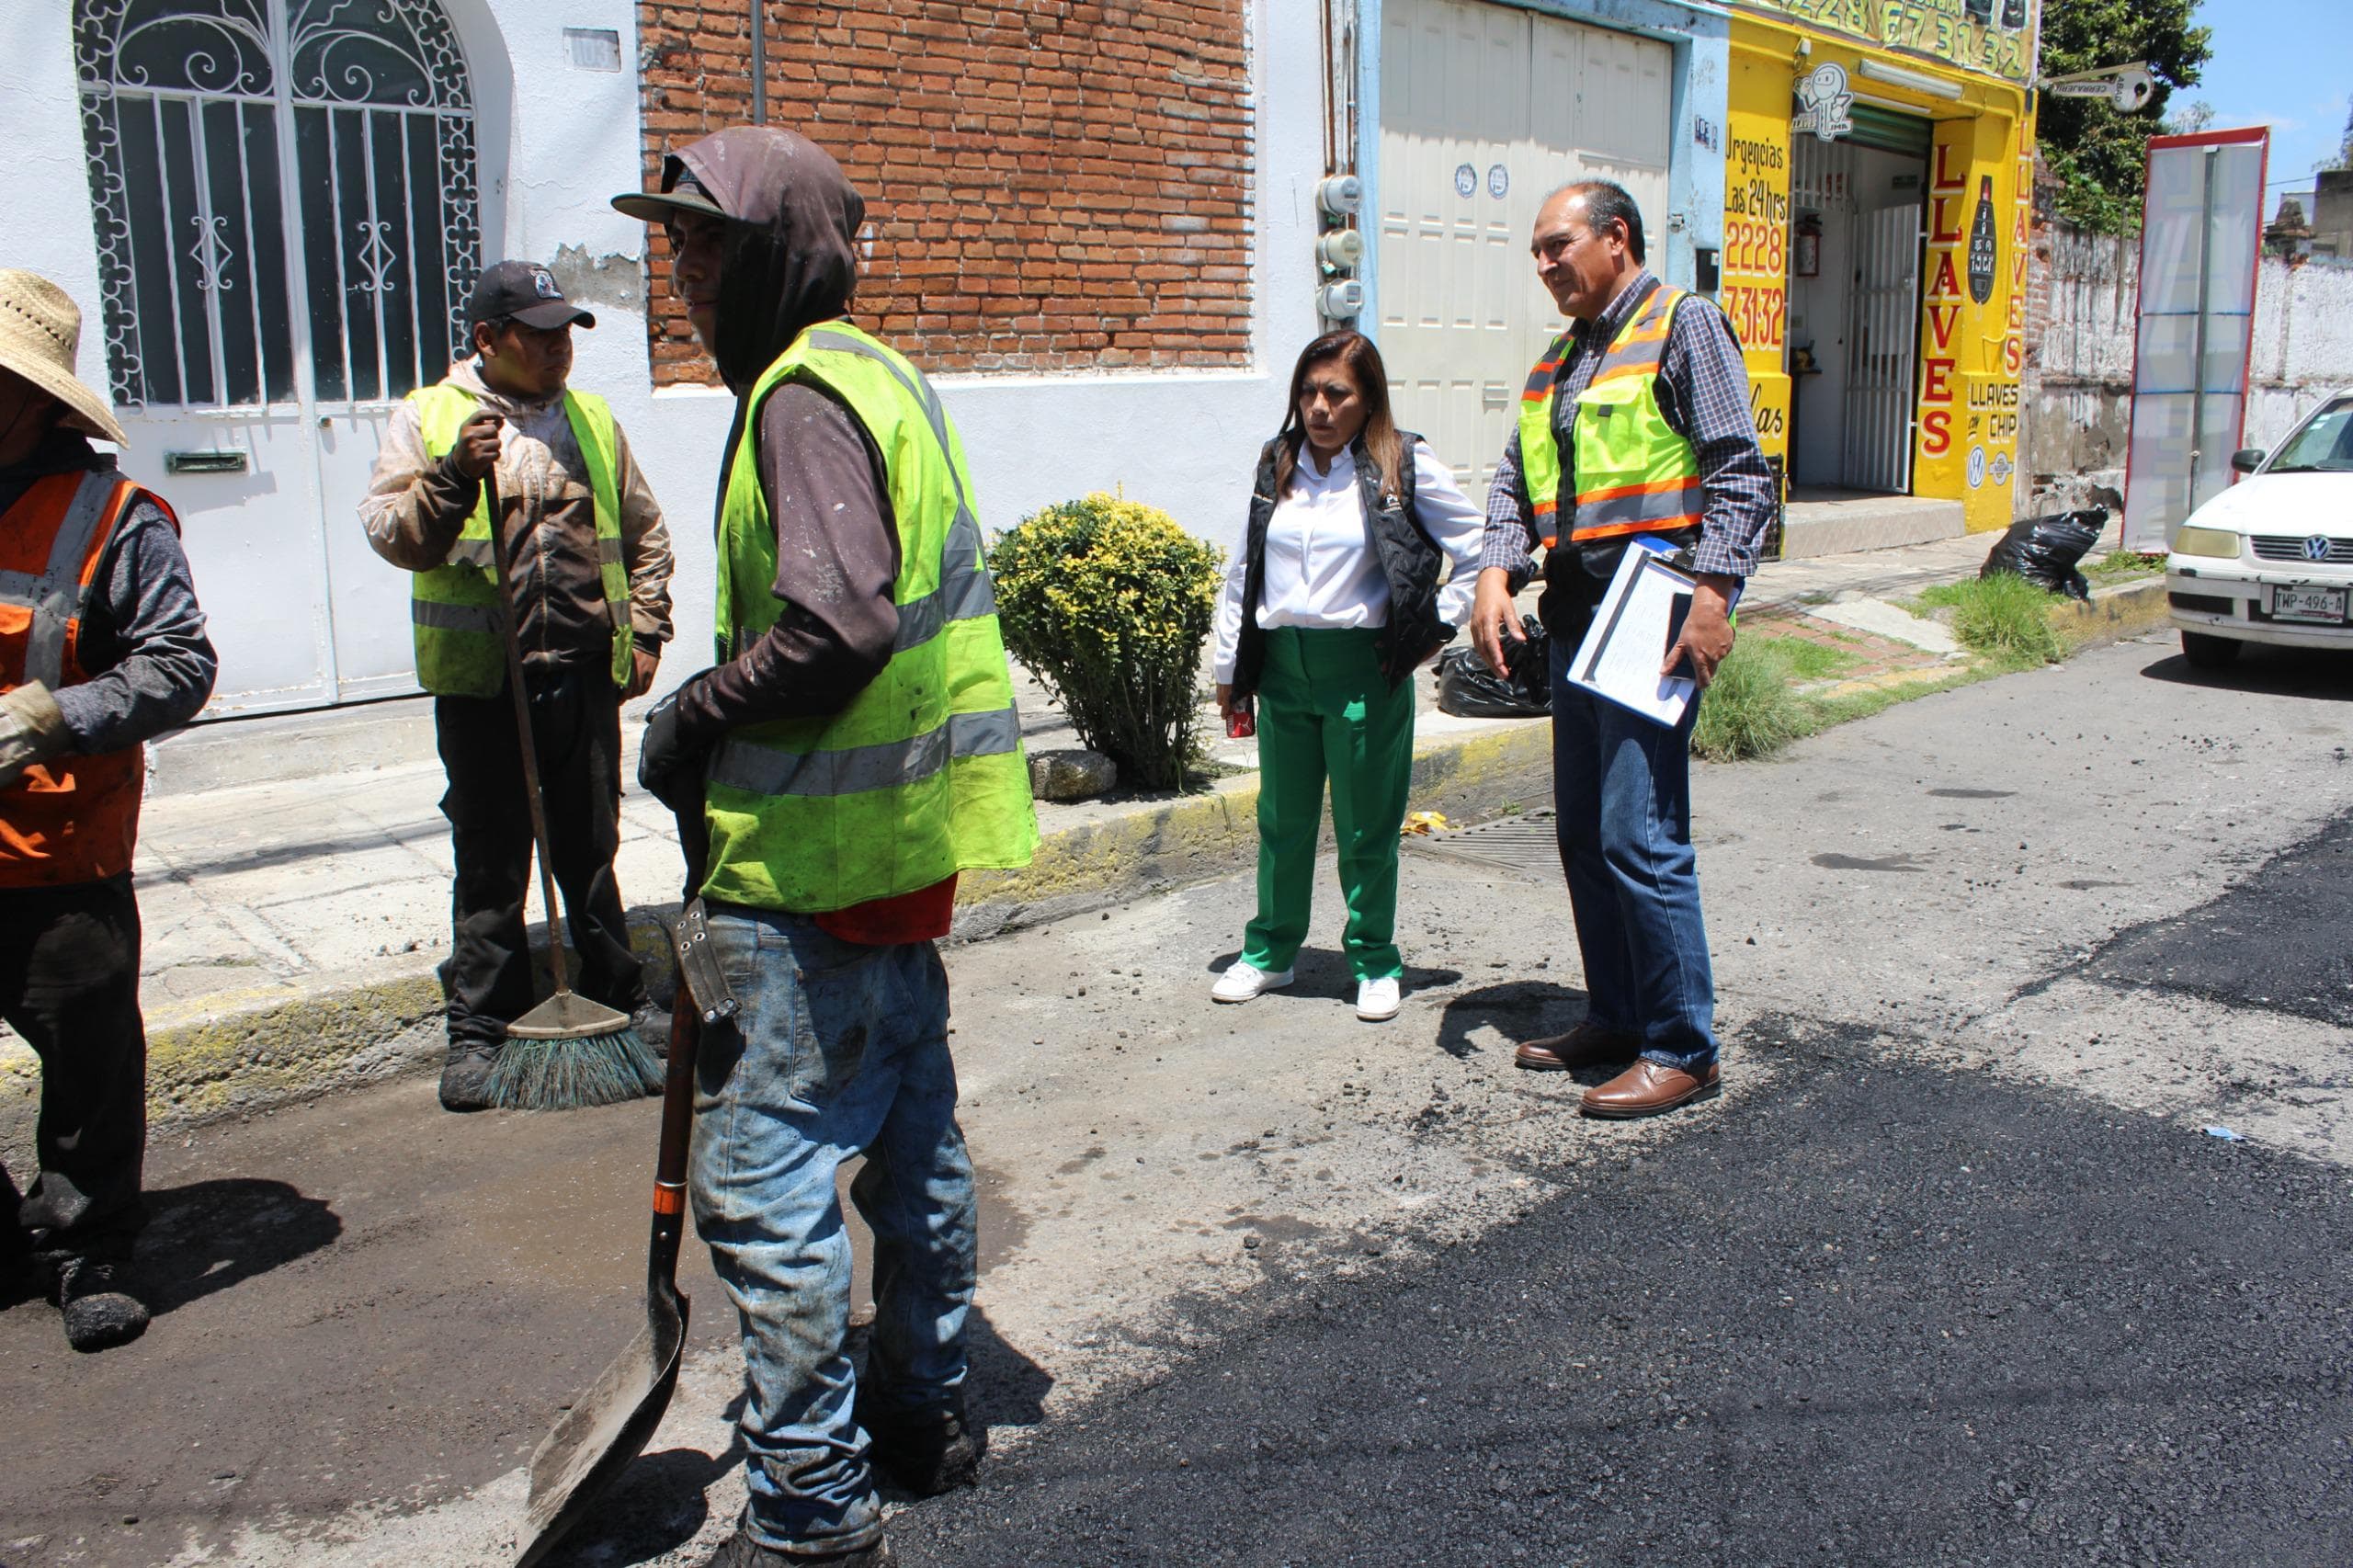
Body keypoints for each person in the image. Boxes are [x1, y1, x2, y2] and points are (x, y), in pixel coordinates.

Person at [613, 128, 1040, 1568]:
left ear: (783, 250)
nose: (684, 273)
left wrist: (687, 719)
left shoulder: (801, 396)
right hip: (897, 869)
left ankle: (810, 1510)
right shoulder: (884, 377)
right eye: (675, 244)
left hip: (802, 886)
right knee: (916, 1160)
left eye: (708, 243)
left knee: (770, 1197)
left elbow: (840, 624)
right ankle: (922, 1415)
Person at [1465, 179, 1774, 1119]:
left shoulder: (1685, 327)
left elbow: (1738, 472)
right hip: (1576, 611)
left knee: (1637, 833)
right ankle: (1616, 1012)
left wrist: (1716, 592)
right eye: (1537, 251)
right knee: (1579, 833)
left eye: (1557, 244)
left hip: (1655, 607)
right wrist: (1493, 570)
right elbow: (1515, 480)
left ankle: (1683, 1044)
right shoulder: (1559, 360)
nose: (1543, 263)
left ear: (1617, 237)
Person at [360, 261, 675, 1111]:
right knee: (492, 857)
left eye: (564, 332)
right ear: (487, 340)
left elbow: (645, 533)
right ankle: (478, 1031)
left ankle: (621, 992)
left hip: (579, 673)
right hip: (482, 687)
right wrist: (454, 475)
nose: (555, 350)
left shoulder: (593, 421)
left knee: (590, 845)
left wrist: (645, 629)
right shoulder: (429, 419)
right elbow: (396, 536)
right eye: (535, 334)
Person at [0, 270, 218, 1350]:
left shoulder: (115, 520)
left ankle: (87, 1244)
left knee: (87, 1063)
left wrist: (47, 714)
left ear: (36, 396)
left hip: (58, 849)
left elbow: (180, 664)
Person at [1208, 331, 1486, 1022]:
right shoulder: (1278, 462)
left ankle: (1373, 960)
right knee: (1283, 819)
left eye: (1337, 393)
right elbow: (1244, 568)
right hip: (1282, 666)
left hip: (1362, 667)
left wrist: (1430, 630)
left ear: (1369, 401)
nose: (1319, 407)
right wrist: (1227, 663)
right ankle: (1271, 953)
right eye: (1308, 391)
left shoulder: (1403, 462)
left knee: (1368, 825)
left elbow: (1481, 553)